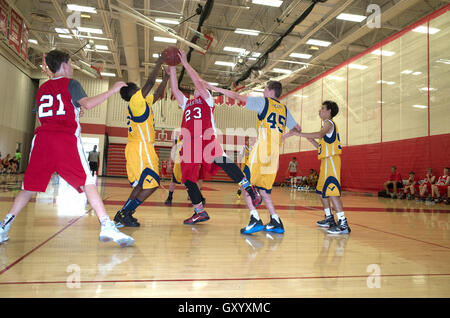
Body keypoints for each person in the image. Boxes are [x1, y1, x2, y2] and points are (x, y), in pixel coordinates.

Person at [0, 50, 133, 246]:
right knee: (88, 181)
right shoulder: (71, 83)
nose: (72, 68)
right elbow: (87, 104)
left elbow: (41, 117)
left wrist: (71, 111)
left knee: (28, 187)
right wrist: (113, 90)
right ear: (63, 65)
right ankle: (106, 224)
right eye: (70, 64)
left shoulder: (43, 88)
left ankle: (4, 226)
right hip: (64, 139)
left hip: (42, 141)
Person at [167, 49, 262, 225]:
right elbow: (174, 89)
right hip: (189, 143)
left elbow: (199, 82)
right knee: (187, 179)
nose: (196, 88)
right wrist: (172, 68)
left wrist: (185, 64)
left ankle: (249, 188)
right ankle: (199, 211)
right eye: (195, 88)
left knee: (222, 160)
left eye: (198, 87)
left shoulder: (207, 99)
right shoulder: (187, 103)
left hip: (205, 137)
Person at [205, 80, 301, 234]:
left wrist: (214, 87)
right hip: (274, 154)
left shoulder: (264, 102)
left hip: (262, 150)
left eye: (264, 89)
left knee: (245, 185)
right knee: (265, 191)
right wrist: (284, 136)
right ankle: (276, 220)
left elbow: (238, 97)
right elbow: (298, 128)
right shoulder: (284, 109)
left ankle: (255, 218)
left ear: (270, 91)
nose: (263, 92)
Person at [114, 54, 169, 227]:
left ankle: (123, 214)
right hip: (140, 149)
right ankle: (125, 213)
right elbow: (151, 84)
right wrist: (159, 62)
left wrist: (166, 77)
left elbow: (158, 93)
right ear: (134, 92)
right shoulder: (135, 102)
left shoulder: (141, 103)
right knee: (152, 184)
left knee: (140, 186)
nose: (141, 90)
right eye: (137, 89)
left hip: (141, 148)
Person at [285, 101, 350, 235]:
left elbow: (319, 134)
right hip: (325, 161)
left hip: (331, 160)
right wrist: (309, 139)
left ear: (329, 111)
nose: (319, 111)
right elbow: (320, 146)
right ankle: (329, 218)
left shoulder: (329, 123)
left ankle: (343, 224)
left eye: (322, 109)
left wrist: (299, 134)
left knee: (332, 192)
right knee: (321, 192)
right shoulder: (325, 126)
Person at [164, 134, 206, 206]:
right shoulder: (177, 139)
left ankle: (198, 197)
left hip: (189, 162)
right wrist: (169, 163)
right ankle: (169, 197)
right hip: (178, 163)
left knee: (191, 181)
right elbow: (172, 152)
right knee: (174, 181)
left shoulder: (194, 139)